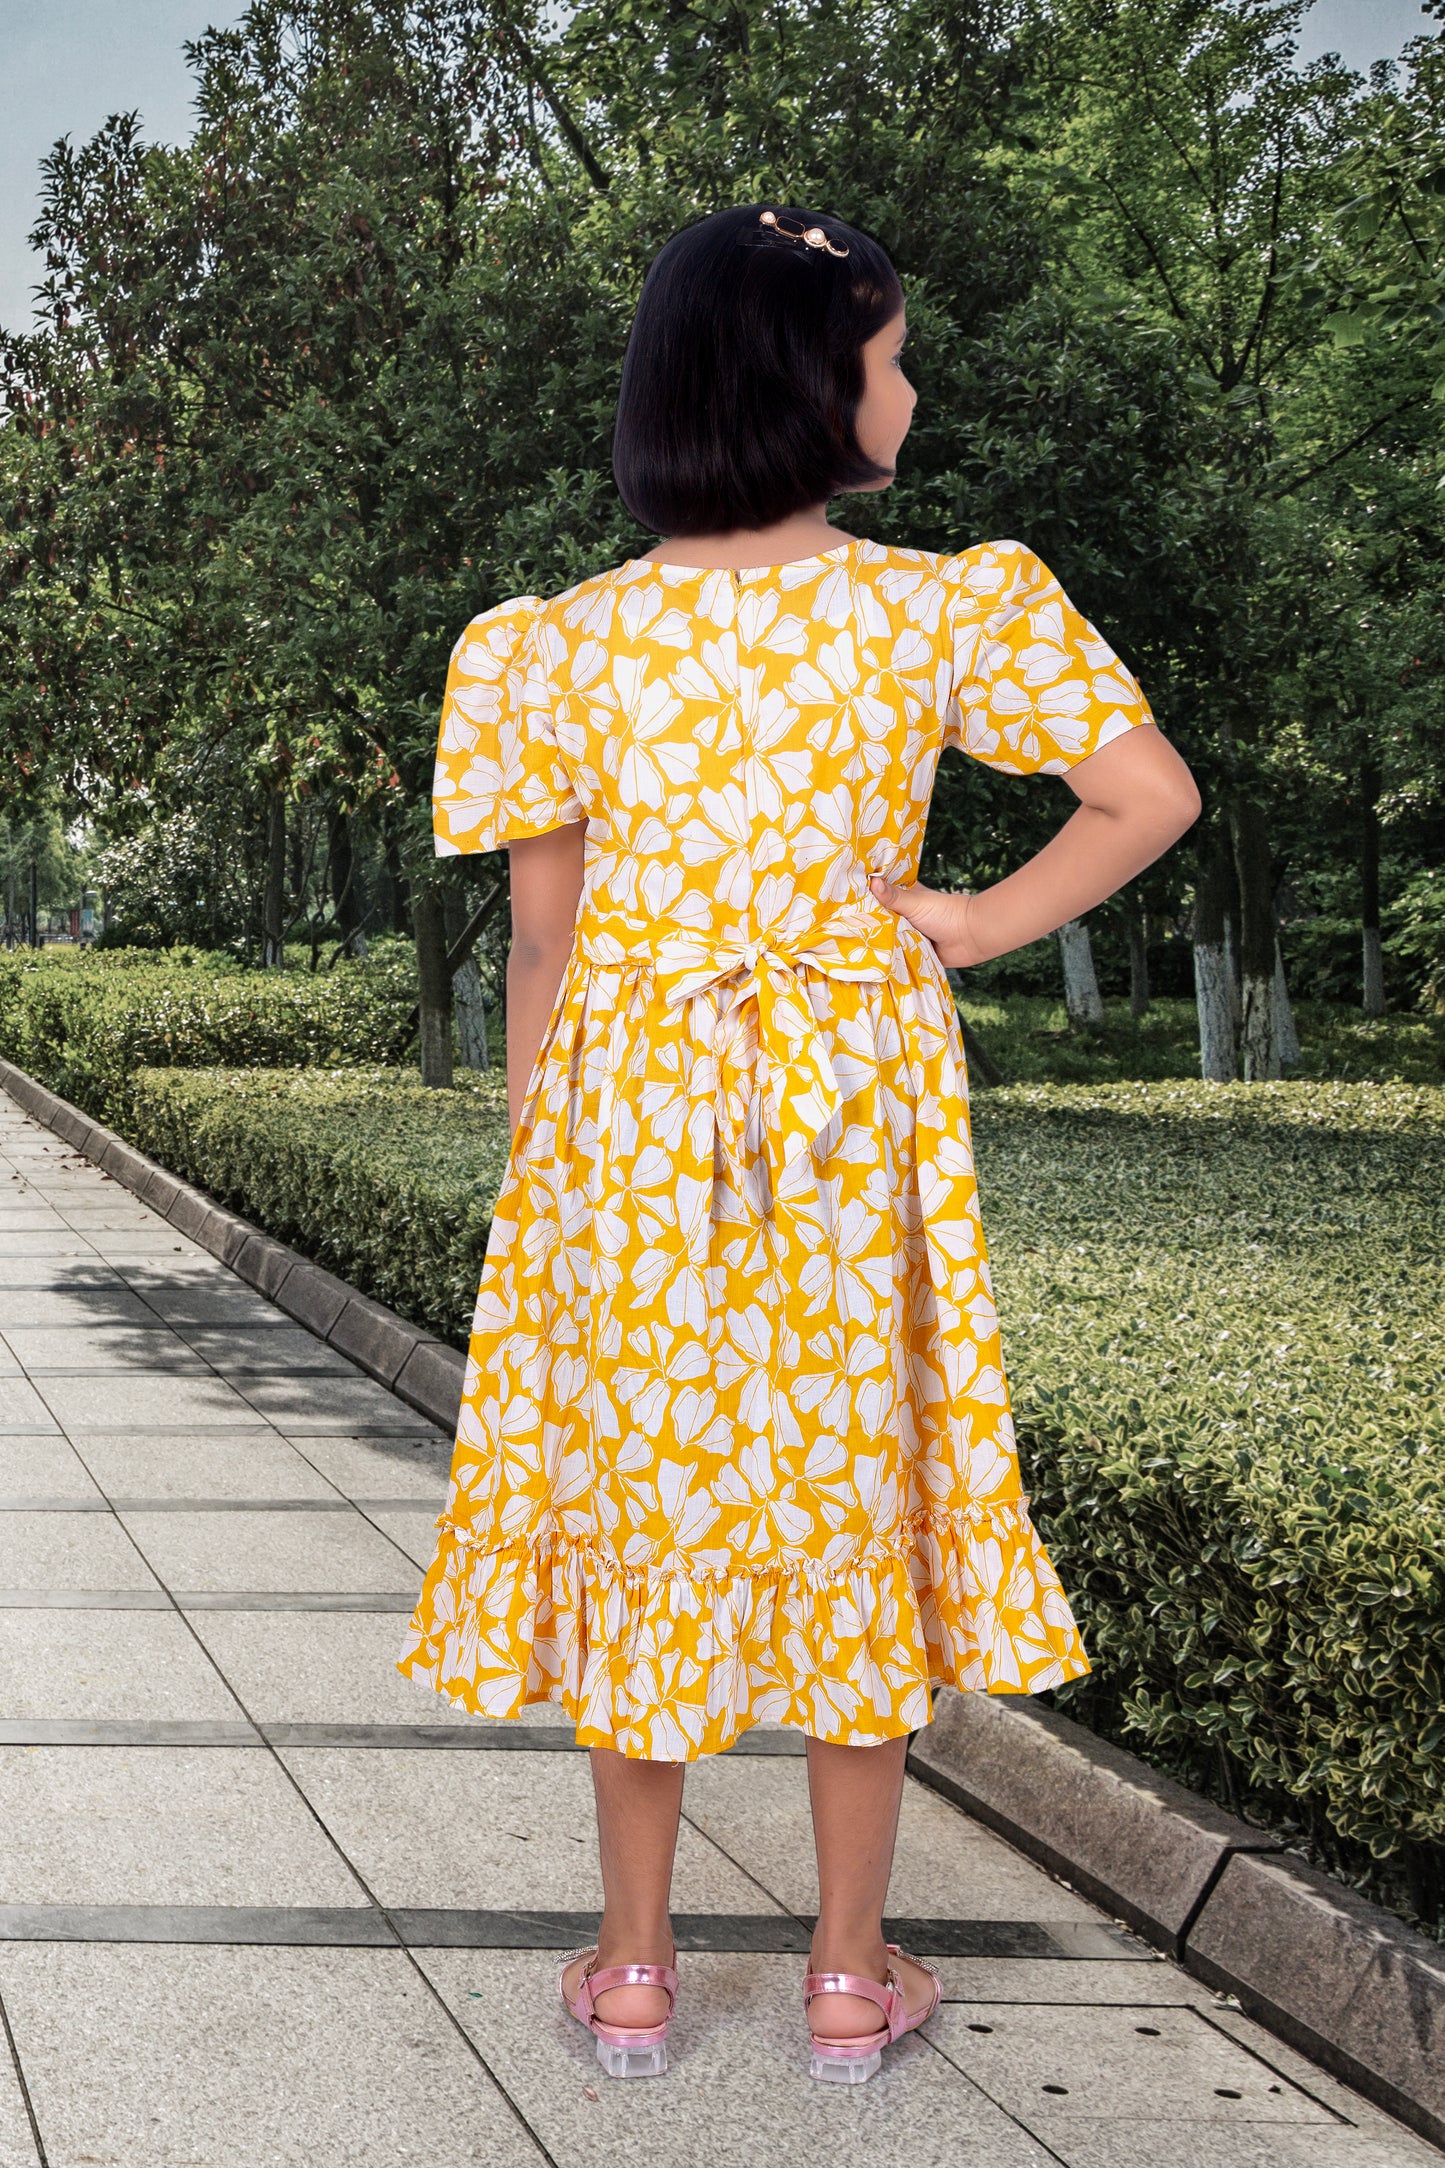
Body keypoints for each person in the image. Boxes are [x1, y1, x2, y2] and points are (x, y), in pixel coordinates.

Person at [399, 203, 1200, 2085]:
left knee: (640, 1508)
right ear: (809, 379)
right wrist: (978, 923)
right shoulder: (940, 609)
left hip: (631, 1127)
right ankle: (848, 1977)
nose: (909, 388)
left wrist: (550, 1155)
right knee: (854, 1490)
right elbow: (1143, 793)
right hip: (850, 1117)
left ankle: (631, 1971)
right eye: (894, 354)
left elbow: (545, 935)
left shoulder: (553, 645)